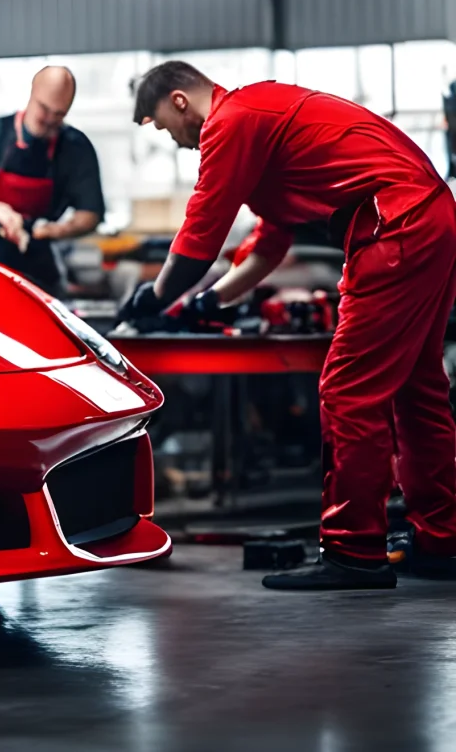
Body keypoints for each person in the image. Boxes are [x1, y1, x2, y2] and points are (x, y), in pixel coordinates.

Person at [117, 60, 456, 590]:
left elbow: (201, 231)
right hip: (425, 215)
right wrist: (209, 302)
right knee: (418, 389)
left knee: (347, 391)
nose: (177, 141)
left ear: (180, 100)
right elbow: (270, 244)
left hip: (395, 226)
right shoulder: (262, 121)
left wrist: (156, 297)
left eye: (164, 125)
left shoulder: (231, 123)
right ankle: (441, 539)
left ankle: (353, 551)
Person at [0, 66, 105, 293]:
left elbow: (90, 214)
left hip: (42, 263)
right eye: (44, 109)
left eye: (59, 114)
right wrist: (1, 212)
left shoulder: (76, 148)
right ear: (32, 92)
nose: (49, 120)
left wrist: (54, 230)